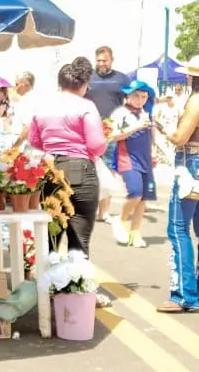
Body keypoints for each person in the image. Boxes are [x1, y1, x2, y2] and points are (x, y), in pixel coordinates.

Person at [158, 55, 199, 314]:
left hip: (191, 166)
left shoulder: (196, 100)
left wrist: (164, 128)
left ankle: (184, 295)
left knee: (178, 228)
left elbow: (179, 137)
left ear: (192, 77)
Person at [28, 58, 107, 254]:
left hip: (50, 171)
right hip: (81, 171)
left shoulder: (42, 106)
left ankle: (47, 282)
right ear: (83, 85)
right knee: (79, 241)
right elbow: (96, 145)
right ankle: (74, 281)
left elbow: (34, 141)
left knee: (50, 237)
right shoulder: (86, 106)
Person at [108, 80, 157, 248]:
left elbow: (152, 134)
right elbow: (114, 136)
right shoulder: (120, 113)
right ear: (128, 95)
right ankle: (120, 220)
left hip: (146, 159)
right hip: (127, 158)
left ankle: (135, 232)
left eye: (144, 96)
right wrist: (135, 127)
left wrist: (155, 151)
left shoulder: (146, 113)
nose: (140, 99)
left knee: (144, 198)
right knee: (135, 192)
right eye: (136, 95)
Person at [85, 46, 130, 226]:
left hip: (111, 132)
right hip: (89, 129)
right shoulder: (88, 77)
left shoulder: (122, 79)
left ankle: (103, 212)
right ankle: (88, 209)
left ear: (112, 60)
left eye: (105, 60)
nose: (101, 63)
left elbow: (131, 101)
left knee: (109, 171)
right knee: (89, 171)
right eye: (99, 60)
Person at [10, 71, 41, 148]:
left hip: (26, 146)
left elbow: (27, 128)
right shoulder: (35, 97)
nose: (14, 88)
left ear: (25, 84)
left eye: (17, 84)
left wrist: (14, 147)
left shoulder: (27, 100)